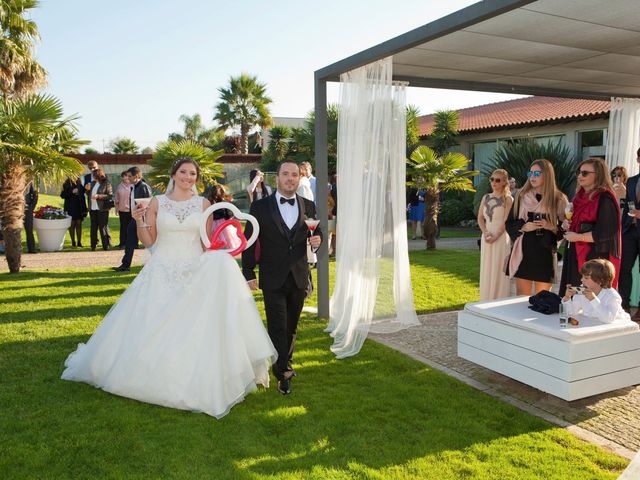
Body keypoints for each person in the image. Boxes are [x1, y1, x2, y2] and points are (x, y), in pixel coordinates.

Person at [61, 157, 276, 419]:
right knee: (150, 325)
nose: (188, 177)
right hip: (161, 270)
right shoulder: (157, 202)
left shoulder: (204, 204)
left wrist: (217, 264)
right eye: (184, 172)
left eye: (193, 173)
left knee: (191, 328)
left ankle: (191, 376)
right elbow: (149, 240)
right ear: (174, 174)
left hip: (193, 272)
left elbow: (206, 243)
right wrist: (140, 220)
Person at [242, 160, 322, 395]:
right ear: (276, 178)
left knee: (291, 326)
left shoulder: (308, 205)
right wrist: (248, 273)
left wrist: (317, 240)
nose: (290, 178)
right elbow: (250, 241)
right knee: (278, 324)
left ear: (299, 178)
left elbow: (316, 232)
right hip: (272, 275)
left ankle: (284, 364)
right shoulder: (260, 207)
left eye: (294, 175)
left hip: (298, 275)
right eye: (285, 174)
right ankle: (283, 373)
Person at [505, 159, 567, 296]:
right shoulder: (521, 196)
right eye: (530, 173)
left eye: (537, 173)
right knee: (521, 299)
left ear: (547, 174)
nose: (532, 177)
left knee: (543, 299)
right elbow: (509, 223)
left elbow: (566, 229)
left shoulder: (559, 198)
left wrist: (551, 226)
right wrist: (523, 226)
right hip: (525, 250)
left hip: (546, 251)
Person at [559, 158, 620, 296]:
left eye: (585, 173)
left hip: (595, 255)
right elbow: (576, 223)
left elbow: (606, 233)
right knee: (573, 294)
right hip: (575, 249)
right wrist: (566, 224)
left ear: (598, 174)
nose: (580, 176)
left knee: (591, 298)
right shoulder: (578, 197)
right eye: (579, 172)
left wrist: (578, 236)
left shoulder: (605, 198)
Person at [478, 169, 513, 300]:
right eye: (492, 179)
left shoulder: (508, 199)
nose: (494, 182)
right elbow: (480, 218)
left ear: (504, 182)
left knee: (499, 269)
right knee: (487, 268)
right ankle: (485, 298)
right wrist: (486, 232)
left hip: (501, 237)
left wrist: (495, 236)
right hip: (486, 237)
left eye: (497, 180)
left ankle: (498, 299)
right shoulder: (485, 197)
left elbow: (506, 221)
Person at [562, 259, 631, 324]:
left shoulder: (612, 296)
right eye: (582, 276)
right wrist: (567, 298)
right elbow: (571, 313)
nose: (581, 280)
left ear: (600, 280)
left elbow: (608, 319)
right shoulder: (582, 290)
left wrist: (593, 299)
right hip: (594, 325)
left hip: (618, 326)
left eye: (586, 278)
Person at [113, 166, 152, 272]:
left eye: (130, 176)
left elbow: (148, 204)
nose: (128, 178)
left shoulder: (143, 186)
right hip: (135, 218)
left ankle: (127, 265)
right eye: (127, 176)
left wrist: (145, 221)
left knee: (148, 243)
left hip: (142, 220)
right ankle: (125, 265)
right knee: (130, 241)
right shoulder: (134, 186)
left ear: (137, 176)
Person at [618, 148, 640, 317]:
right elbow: (628, 206)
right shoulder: (631, 181)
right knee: (624, 269)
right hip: (628, 231)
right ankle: (623, 305)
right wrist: (621, 227)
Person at [206, 184, 241, 251]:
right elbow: (229, 216)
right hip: (224, 226)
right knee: (227, 243)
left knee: (213, 242)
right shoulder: (225, 204)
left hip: (211, 225)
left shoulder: (208, 204)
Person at [88, 168, 113, 251]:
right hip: (93, 208)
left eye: (94, 175)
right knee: (93, 227)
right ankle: (93, 245)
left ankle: (105, 245)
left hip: (102, 209)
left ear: (98, 175)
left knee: (103, 227)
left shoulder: (106, 183)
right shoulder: (92, 183)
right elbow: (89, 195)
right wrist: (87, 190)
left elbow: (109, 195)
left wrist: (98, 196)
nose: (93, 177)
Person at [61, 177, 88, 247]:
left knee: (79, 224)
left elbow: (83, 192)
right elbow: (62, 195)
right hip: (70, 207)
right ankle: (73, 241)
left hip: (78, 207)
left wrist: (84, 189)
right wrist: (72, 192)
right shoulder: (66, 184)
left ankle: (79, 241)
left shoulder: (79, 183)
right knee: (72, 224)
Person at [114, 170, 132, 249]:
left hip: (132, 210)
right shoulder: (119, 186)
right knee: (123, 227)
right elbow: (117, 198)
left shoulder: (133, 186)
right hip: (122, 210)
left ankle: (133, 244)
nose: (126, 177)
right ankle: (122, 243)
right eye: (124, 176)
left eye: (127, 176)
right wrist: (116, 208)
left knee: (132, 227)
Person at [24, 181, 38, 253]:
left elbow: (35, 194)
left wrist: (31, 207)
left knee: (29, 230)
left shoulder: (29, 181)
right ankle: (14, 250)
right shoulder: (9, 177)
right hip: (14, 208)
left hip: (27, 209)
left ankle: (31, 249)